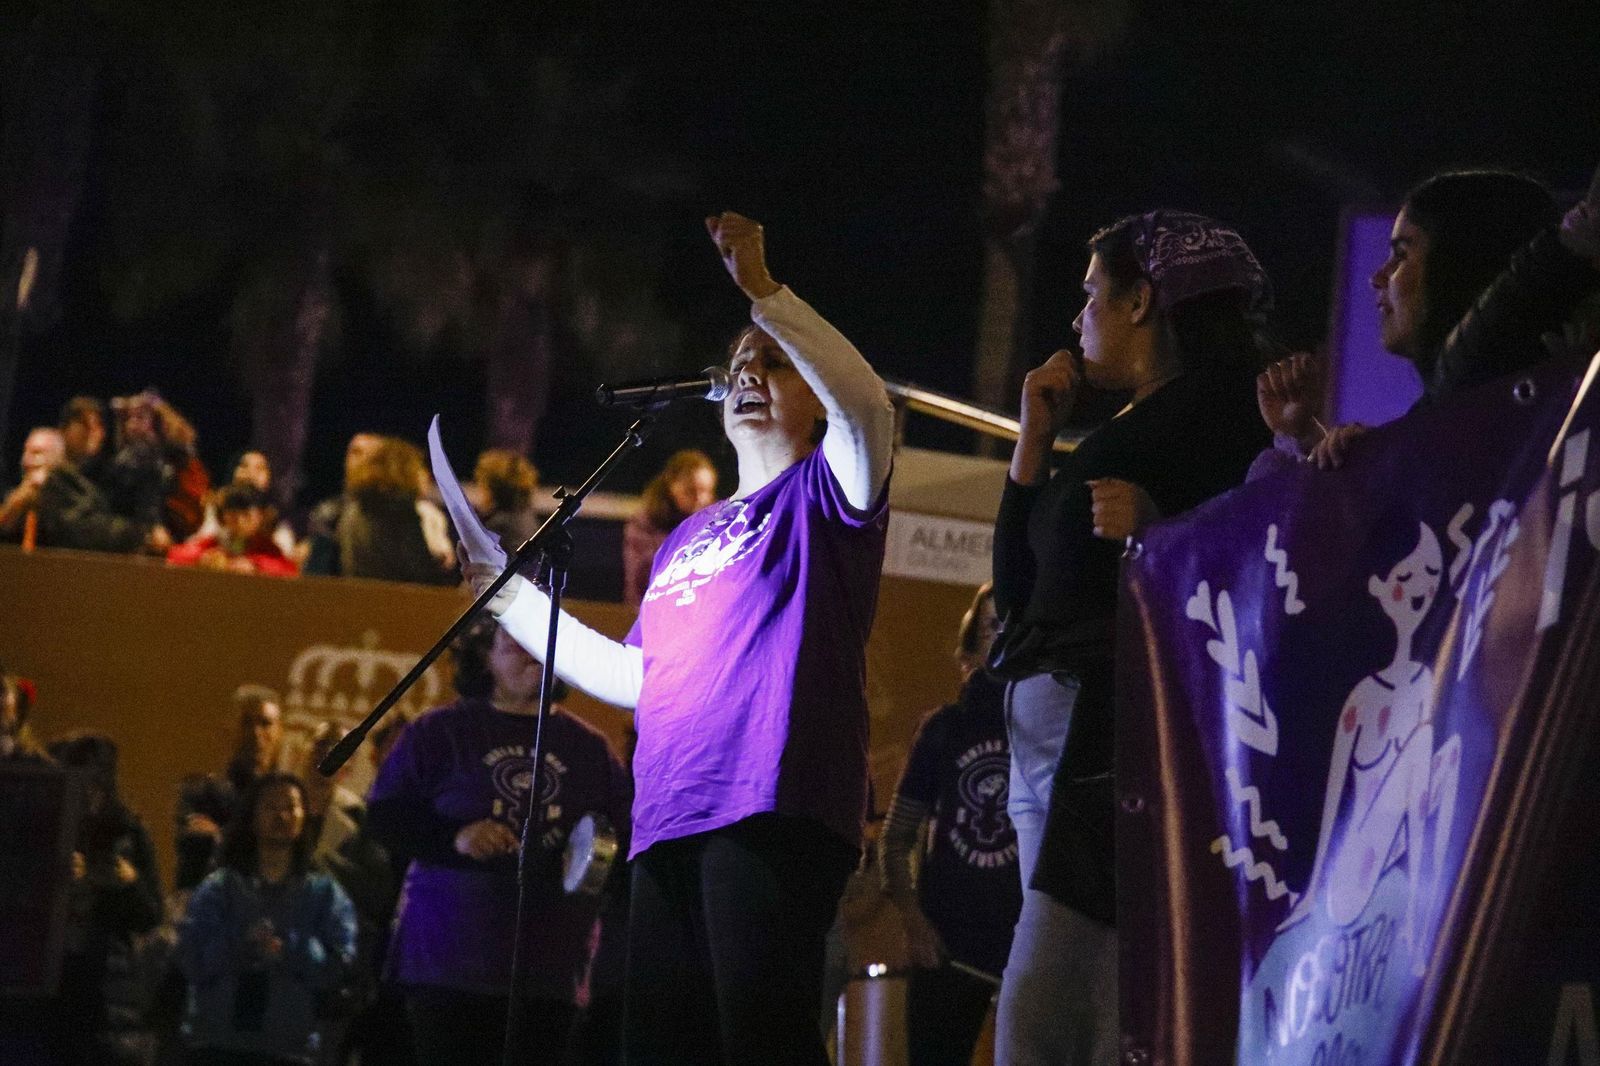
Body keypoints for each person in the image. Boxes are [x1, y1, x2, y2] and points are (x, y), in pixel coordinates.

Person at [462, 211, 895, 1066]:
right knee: (658, 1047)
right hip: (667, 816)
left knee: (760, 1040)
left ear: (810, 391)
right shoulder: (685, 538)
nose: (749, 372)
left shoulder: (825, 492)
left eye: (773, 361)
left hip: (772, 805)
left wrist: (766, 296)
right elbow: (638, 677)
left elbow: (869, 409)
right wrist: (513, 604)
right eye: (739, 362)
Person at [990, 211, 1274, 1065]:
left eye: (1091, 296)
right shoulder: (1126, 424)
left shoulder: (1220, 418)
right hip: (1052, 748)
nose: (1078, 321)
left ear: (1142, 300)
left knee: (1055, 1022)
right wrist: (1035, 438)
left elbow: (1259, 560)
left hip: (1113, 743)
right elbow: (1020, 594)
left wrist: (1163, 535)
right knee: (1071, 1006)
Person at [365, 618, 630, 1065]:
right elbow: (386, 816)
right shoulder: (440, 731)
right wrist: (456, 838)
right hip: (448, 968)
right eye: (516, 643)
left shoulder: (591, 748)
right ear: (483, 658)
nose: (533, 653)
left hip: (551, 975)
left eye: (544, 646)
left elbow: (626, 841)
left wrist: (590, 860)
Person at [1256, 167, 1600, 472]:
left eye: (1401, 254)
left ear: (1459, 265)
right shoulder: (1448, 417)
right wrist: (1322, 446)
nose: (1378, 277)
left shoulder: (1541, 394)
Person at [879, 583, 1016, 1066]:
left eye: (1011, 625)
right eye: (992, 626)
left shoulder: (1046, 730)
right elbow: (895, 839)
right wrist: (914, 923)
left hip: (1020, 949)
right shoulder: (944, 728)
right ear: (972, 641)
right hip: (947, 947)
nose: (1001, 637)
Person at [177, 773, 358, 1065]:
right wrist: (240, 944)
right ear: (252, 816)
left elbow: (340, 964)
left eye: (291, 806)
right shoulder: (220, 888)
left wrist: (289, 949)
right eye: (271, 806)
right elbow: (192, 956)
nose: (282, 815)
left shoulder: (323, 894)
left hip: (289, 1047)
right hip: (217, 1042)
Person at [47, 732, 165, 1066]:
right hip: (51, 989)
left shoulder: (126, 832)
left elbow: (151, 914)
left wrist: (126, 883)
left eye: (96, 783)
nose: (89, 796)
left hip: (109, 996)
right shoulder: (48, 824)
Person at [174, 685, 287, 891]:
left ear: (279, 731)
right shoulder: (201, 793)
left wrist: (222, 837)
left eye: (265, 724)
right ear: (229, 729)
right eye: (246, 723)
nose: (256, 734)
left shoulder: (289, 800)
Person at [305, 435, 454, 584]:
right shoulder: (402, 512)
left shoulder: (351, 509)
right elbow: (417, 568)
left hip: (356, 596)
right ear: (405, 470)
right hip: (397, 599)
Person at [622, 449, 719, 605]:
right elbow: (644, 577)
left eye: (706, 491)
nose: (700, 499)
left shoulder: (717, 523)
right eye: (691, 491)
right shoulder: (645, 524)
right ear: (672, 485)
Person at [167, 483, 299, 577]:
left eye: (246, 515)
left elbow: (289, 570)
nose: (240, 522)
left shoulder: (267, 547)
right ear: (224, 516)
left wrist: (255, 564)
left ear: (259, 517)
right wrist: (202, 558)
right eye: (233, 515)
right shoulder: (216, 542)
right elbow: (175, 555)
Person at [192, 451, 298, 558]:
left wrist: (255, 564)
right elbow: (199, 544)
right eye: (244, 466)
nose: (250, 472)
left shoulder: (279, 533)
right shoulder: (217, 506)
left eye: (259, 468)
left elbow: (284, 566)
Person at [0, 427, 66, 544]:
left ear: (58, 460)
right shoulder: (12, 498)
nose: (27, 460)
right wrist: (13, 508)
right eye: (26, 452)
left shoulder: (72, 500)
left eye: (37, 453)